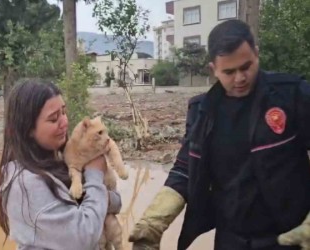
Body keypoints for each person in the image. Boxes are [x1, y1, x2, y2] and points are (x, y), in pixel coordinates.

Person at [129, 19, 310, 250]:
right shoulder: (202, 112)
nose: (240, 78)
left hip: (291, 238)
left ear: (256, 54)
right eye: (229, 71)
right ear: (213, 69)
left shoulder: (291, 95)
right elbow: (185, 169)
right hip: (231, 240)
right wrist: (154, 221)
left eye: (246, 67)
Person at [0, 79, 122, 250]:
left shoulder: (60, 158)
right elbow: (83, 237)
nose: (64, 122)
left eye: (63, 112)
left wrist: (100, 193)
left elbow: (116, 202)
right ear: (28, 129)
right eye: (54, 118)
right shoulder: (25, 185)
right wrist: (94, 174)